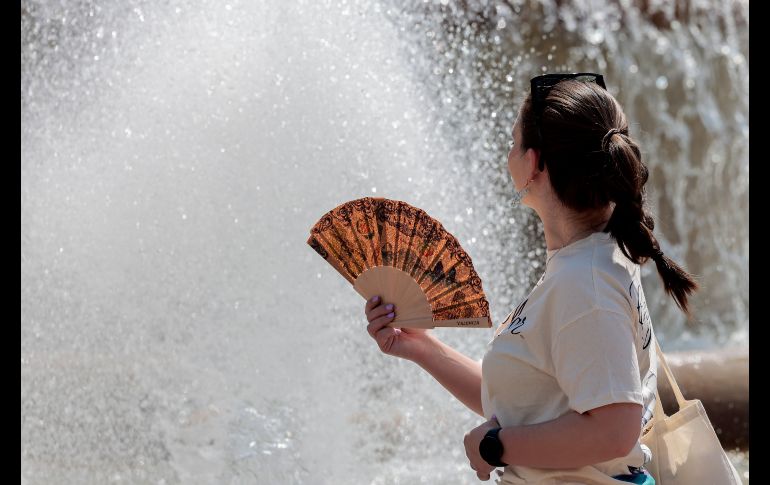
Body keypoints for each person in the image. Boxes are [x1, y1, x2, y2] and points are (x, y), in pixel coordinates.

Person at [363, 73, 698, 484]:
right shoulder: (590, 260)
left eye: (513, 143)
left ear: (535, 163)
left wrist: (497, 446)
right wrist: (421, 347)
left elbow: (615, 429)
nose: (507, 155)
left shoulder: (585, 283)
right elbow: (529, 402)